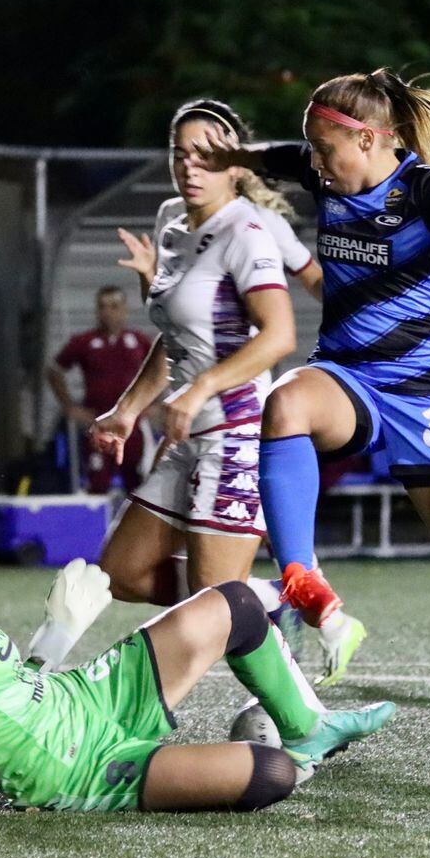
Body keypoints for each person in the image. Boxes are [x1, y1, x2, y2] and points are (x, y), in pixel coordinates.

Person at [192, 68, 430, 672]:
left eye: (326, 150)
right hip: (349, 377)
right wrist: (236, 153)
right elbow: (283, 158)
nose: (317, 165)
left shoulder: (423, 188)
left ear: (370, 141)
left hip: (427, 392)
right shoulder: (326, 175)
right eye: (315, 151)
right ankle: (300, 576)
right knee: (287, 402)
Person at [0, 482, 395, 813]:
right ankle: (289, 750)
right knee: (273, 776)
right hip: (77, 770)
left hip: (86, 700)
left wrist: (57, 636)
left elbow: (5, 698)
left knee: (237, 603)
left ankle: (308, 727)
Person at [87, 99, 299, 623]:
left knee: (214, 598)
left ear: (234, 161)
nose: (189, 165)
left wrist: (201, 388)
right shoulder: (169, 222)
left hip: (236, 430)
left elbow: (279, 336)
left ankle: (294, 696)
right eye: (179, 154)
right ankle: (270, 602)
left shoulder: (247, 231)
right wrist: (128, 410)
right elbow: (175, 336)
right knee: (121, 572)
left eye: (205, 154)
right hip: (186, 436)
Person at [48, 286, 153, 493]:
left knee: (137, 481)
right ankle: (97, 523)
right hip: (99, 423)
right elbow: (55, 370)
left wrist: (152, 404)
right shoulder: (85, 342)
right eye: (103, 307)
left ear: (124, 310)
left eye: (114, 306)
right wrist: (70, 406)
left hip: (130, 424)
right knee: (97, 481)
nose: (108, 312)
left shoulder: (138, 341)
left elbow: (159, 370)